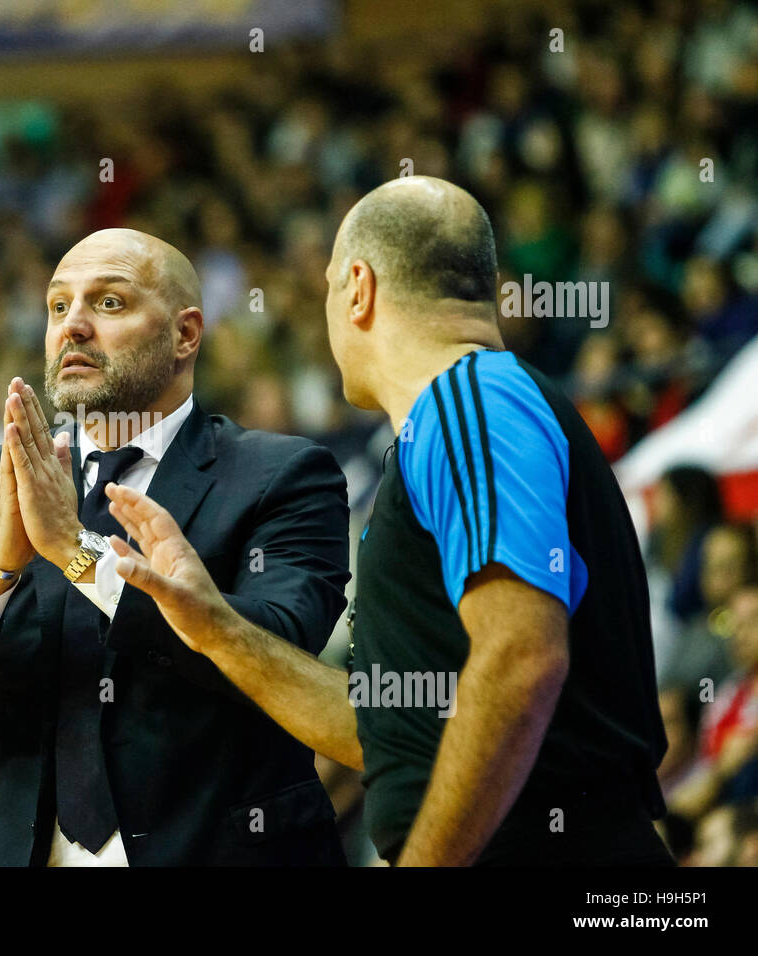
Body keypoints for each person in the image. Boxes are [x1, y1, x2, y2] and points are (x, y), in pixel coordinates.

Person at [105, 178, 673, 866]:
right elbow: (391, 731)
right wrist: (217, 629)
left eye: (325, 288)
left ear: (358, 288)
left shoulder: (471, 402)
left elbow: (522, 658)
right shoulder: (461, 416)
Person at [0, 228, 350, 865]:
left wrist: (76, 551)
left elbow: (280, 652)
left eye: (108, 303)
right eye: (57, 306)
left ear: (186, 334)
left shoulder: (282, 475)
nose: (72, 326)